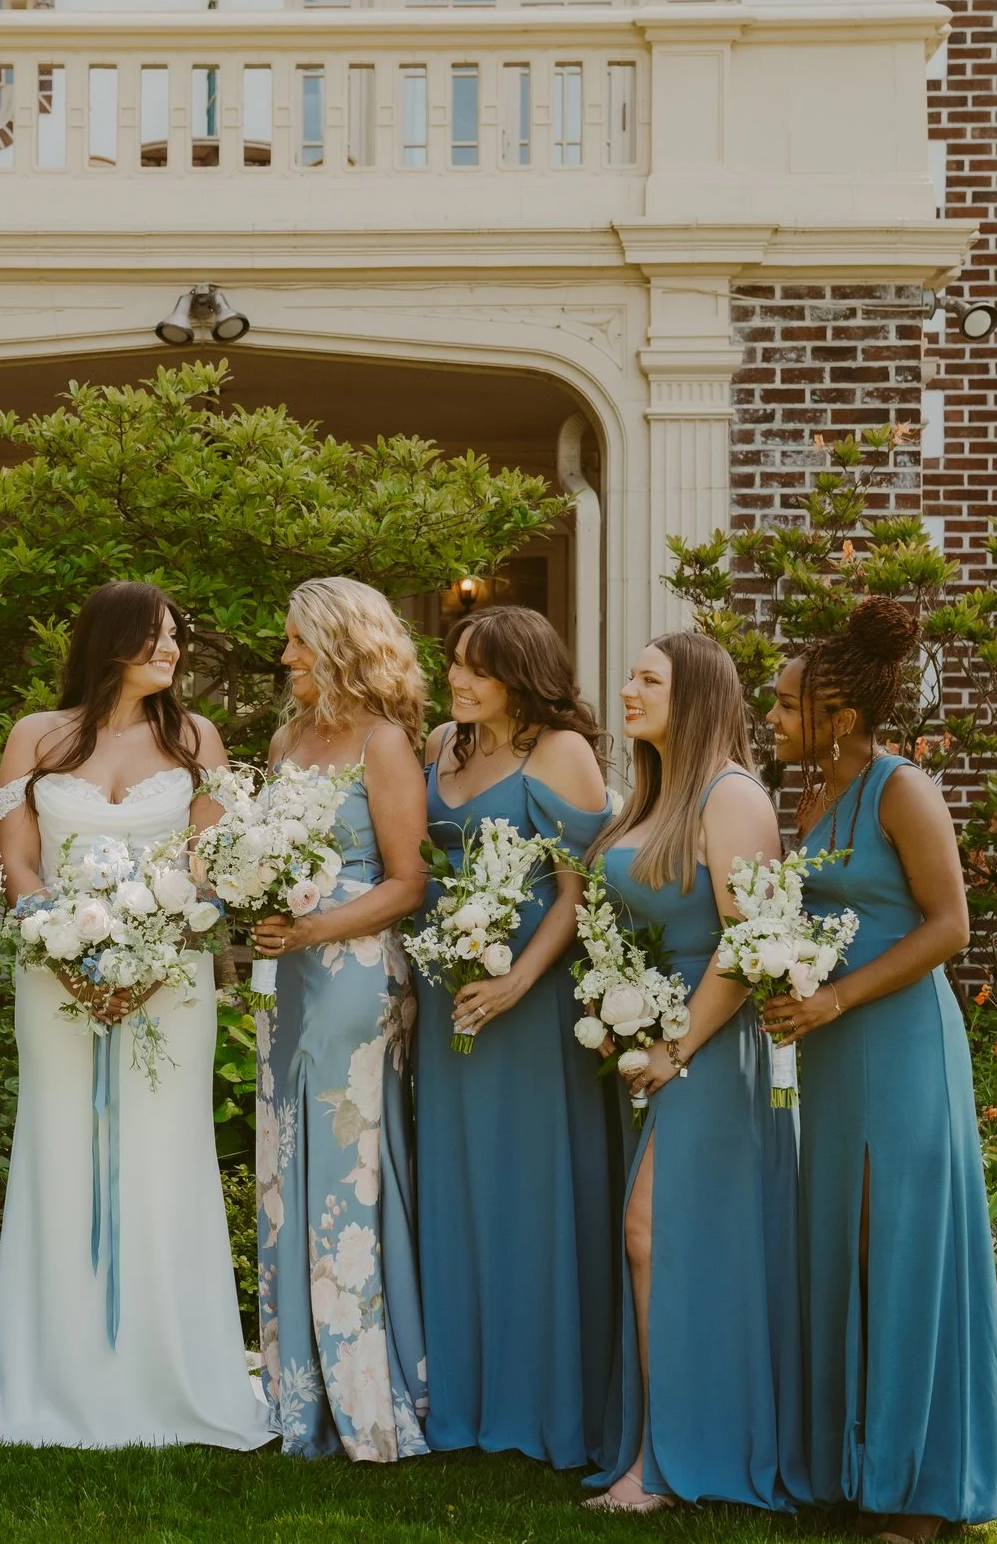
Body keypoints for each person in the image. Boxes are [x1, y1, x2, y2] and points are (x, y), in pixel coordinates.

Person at [0, 581, 272, 1451]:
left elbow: (211, 868)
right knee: (59, 1150)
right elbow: (18, 857)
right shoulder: (37, 734)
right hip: (52, 976)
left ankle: (169, 1375)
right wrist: (65, 948)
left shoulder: (195, 739)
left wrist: (142, 964)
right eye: (156, 637)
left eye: (177, 635)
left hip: (168, 981)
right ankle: (51, 1375)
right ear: (109, 643)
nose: (173, 650)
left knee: (161, 1156)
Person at [761, 599, 997, 1541]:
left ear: (837, 713)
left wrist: (833, 997)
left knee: (899, 1247)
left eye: (788, 707)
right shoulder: (813, 796)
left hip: (901, 1040)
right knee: (842, 1246)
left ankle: (922, 1491)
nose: (775, 721)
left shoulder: (900, 786)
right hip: (832, 1048)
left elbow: (950, 926)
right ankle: (854, 1460)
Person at [589, 632, 806, 1515]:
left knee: (657, 1232)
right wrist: (618, 1007)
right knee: (662, 1240)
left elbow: (747, 944)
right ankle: (665, 1445)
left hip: (711, 1044)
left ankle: (669, 1459)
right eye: (630, 675)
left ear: (700, 693)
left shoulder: (732, 794)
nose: (629, 689)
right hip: (654, 1033)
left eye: (650, 678)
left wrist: (676, 1047)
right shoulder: (655, 790)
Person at [413, 605, 621, 1470]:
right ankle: (462, 1399)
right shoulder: (438, 745)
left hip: (531, 1003)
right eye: (455, 663)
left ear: (522, 676)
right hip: (446, 998)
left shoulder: (560, 752)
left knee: (533, 1190)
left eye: (478, 670)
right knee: (457, 1183)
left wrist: (516, 982)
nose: (458, 681)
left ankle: (545, 1403)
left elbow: (581, 891)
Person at [246, 577, 431, 1462]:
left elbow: (407, 881)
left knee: (345, 1166)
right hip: (287, 973)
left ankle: (365, 1395)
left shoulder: (383, 741)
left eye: (298, 643)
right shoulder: (288, 737)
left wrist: (313, 924)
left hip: (355, 971)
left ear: (341, 645)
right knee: (284, 1161)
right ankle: (298, 1388)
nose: (286, 658)